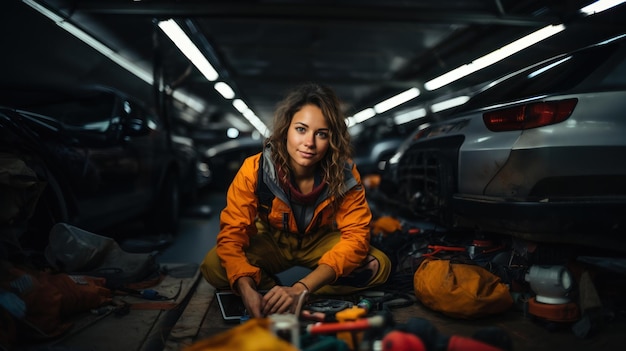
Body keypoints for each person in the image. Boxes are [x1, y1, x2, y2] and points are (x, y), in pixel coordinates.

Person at [200, 83, 391, 318]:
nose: (309, 143)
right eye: (301, 129)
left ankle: (299, 294)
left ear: (332, 139)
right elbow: (232, 234)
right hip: (271, 239)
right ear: (286, 129)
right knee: (214, 265)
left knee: (377, 266)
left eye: (321, 134)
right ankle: (273, 293)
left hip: (318, 241)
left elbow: (356, 237)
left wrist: (302, 288)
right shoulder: (255, 169)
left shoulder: (346, 174)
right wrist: (246, 288)